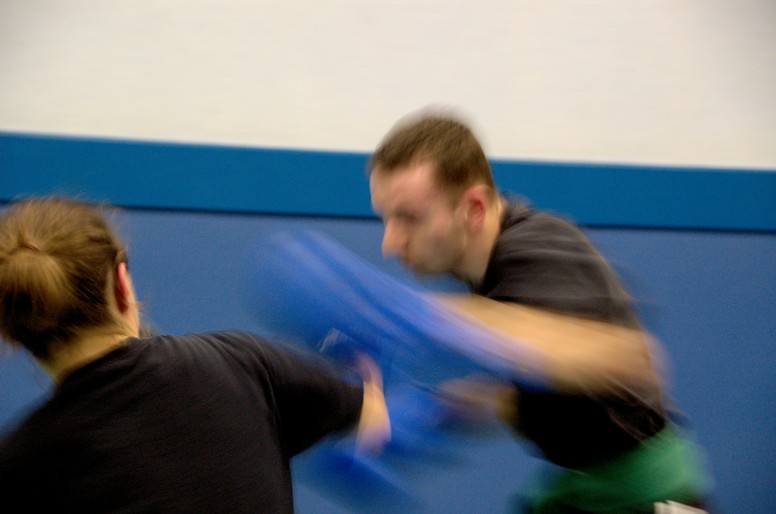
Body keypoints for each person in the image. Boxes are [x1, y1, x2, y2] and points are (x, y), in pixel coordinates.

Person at [367, 109, 713, 513]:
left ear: (474, 208)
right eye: (386, 218)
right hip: (589, 489)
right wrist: (445, 410)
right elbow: (551, 378)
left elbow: (632, 359)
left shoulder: (538, 251)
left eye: (409, 218)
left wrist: (430, 317)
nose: (390, 243)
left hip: (650, 496)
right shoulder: (488, 273)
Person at [0, 196, 390, 513]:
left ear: (12, 332)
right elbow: (372, 415)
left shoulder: (20, 465)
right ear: (121, 283)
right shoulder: (241, 363)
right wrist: (363, 369)